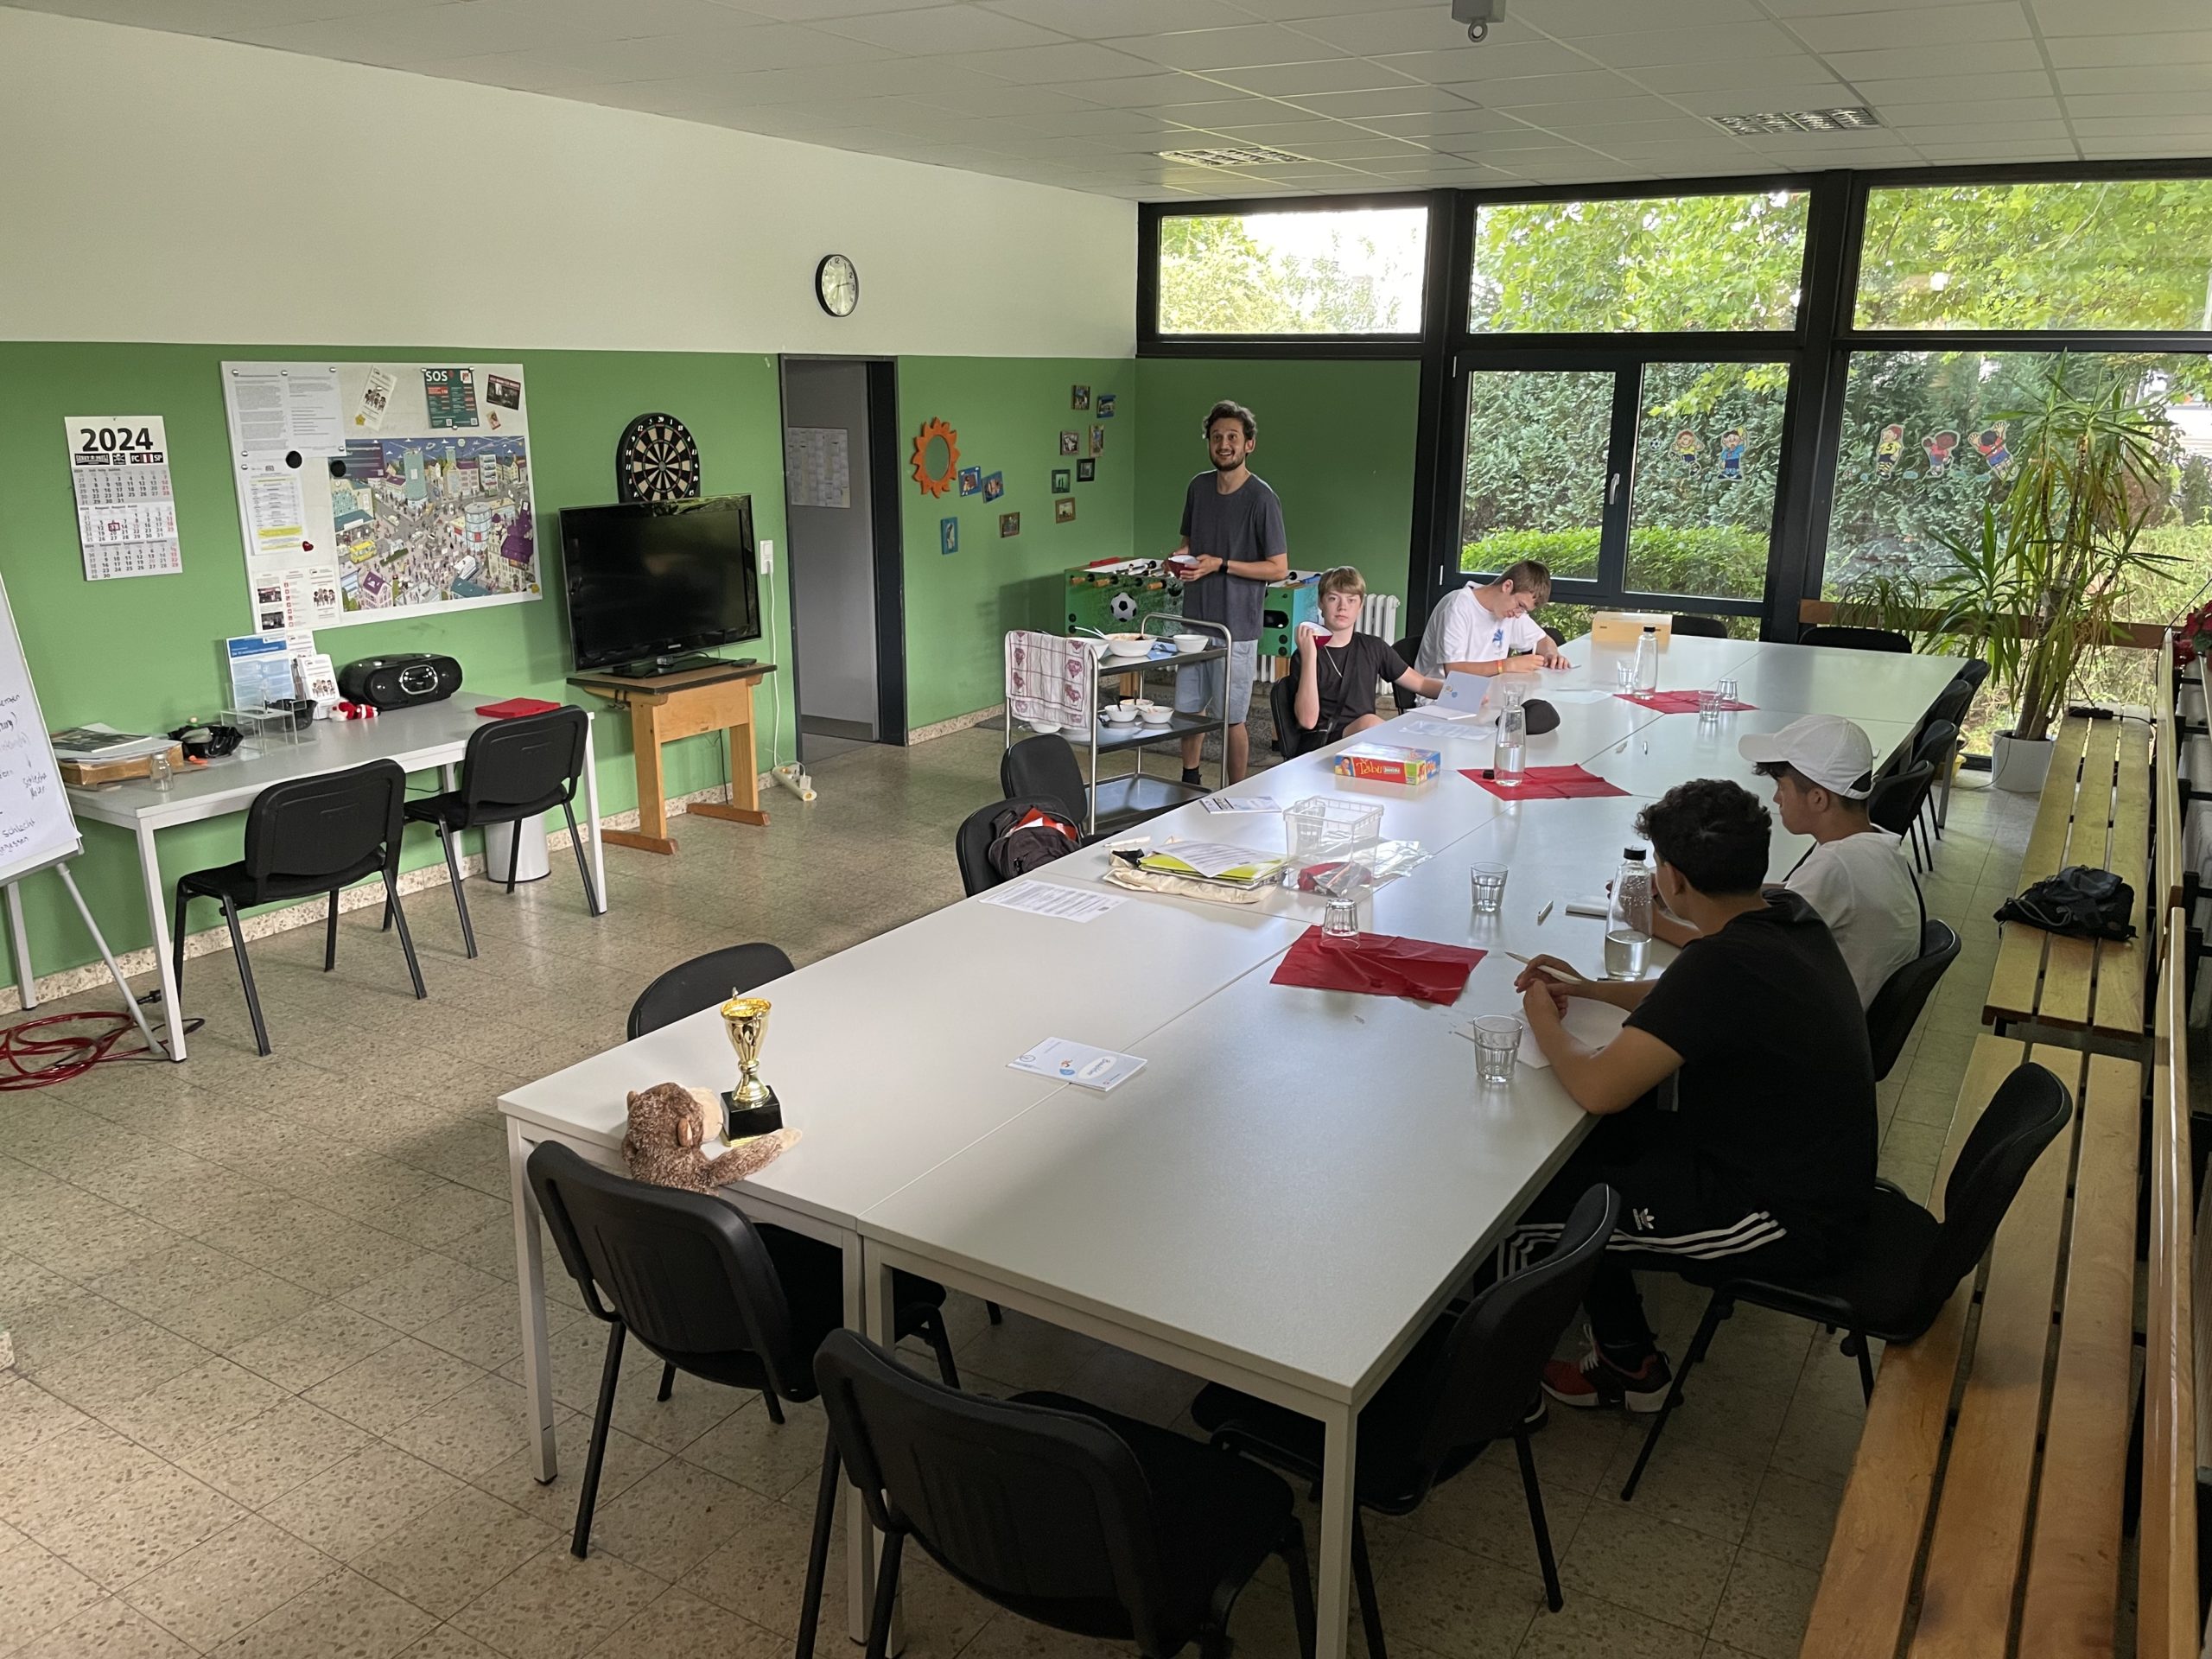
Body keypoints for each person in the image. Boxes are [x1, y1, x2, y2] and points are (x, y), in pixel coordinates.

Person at [1507, 779, 1877, 1414]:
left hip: (1781, 1219)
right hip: (1793, 1166)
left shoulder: (1722, 966)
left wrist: (1543, 1015)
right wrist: (1588, 989)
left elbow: (1597, 1088)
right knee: (1591, 1162)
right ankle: (1628, 1353)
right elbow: (1676, 994)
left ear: (1670, 880)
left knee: (1525, 1221)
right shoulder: (1784, 917)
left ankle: (1502, 1397)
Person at [1642, 716, 1923, 1009]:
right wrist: (1698, 886)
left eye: (1782, 787)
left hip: (1813, 1023)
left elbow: (1732, 952)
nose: (1776, 798)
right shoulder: (1872, 843)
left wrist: (1654, 922)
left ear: (1817, 799)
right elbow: (1787, 895)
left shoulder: (1836, 866)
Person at [1171, 400, 1287, 785]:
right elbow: (1189, 542)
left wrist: (1221, 564)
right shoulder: (1197, 486)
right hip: (1194, 622)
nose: (1224, 444)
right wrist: (1181, 558)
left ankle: (1234, 792)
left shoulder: (1262, 499)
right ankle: (1190, 780)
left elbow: (1278, 568)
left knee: (1232, 715)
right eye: (1217, 436)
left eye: (1233, 437)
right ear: (1208, 442)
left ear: (1249, 444)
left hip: (1236, 627)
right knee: (1189, 711)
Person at [1287, 566, 1442, 754]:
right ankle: (1411, 758)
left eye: (1351, 600)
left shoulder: (1373, 647)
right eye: (1333, 598)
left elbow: (1421, 683)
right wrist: (1310, 655)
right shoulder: (1304, 655)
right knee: (1370, 723)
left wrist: (1462, 693)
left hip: (1365, 739)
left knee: (1378, 725)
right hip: (1323, 743)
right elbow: (1308, 721)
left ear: (1360, 606)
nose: (1342, 607)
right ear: (1321, 603)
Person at [1411, 562, 1566, 693]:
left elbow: (1542, 639)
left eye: (1524, 610)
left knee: (1532, 715)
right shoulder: (1458, 606)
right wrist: (1506, 665)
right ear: (1507, 586)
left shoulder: (1510, 612)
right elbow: (1453, 671)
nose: (1519, 614)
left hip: (1488, 692)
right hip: (1446, 694)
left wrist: (1552, 654)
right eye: (1520, 605)